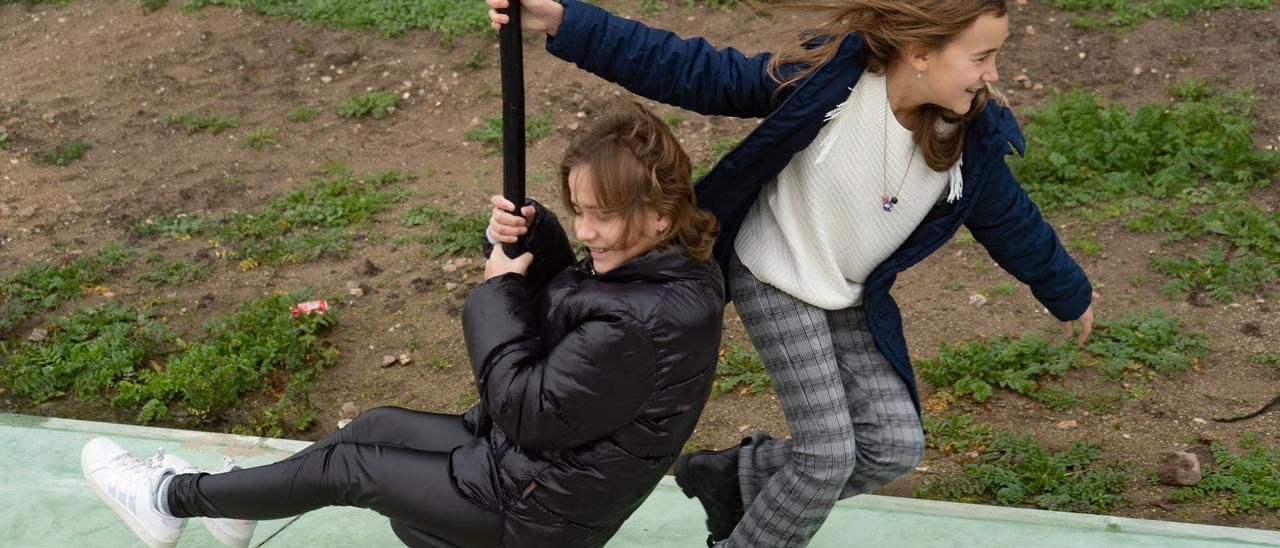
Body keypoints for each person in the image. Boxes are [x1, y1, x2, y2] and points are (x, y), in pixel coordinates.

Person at [485, 1, 1100, 546]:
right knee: (826, 457)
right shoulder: (830, 79)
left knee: (894, 446)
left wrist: (1068, 291)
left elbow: (1014, 223)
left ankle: (736, 474)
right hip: (774, 271)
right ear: (919, 53)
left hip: (848, 294)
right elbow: (694, 70)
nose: (993, 74)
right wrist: (570, 22)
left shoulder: (971, 142)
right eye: (982, 57)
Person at [80, 99, 725, 548]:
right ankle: (237, 504)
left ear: (660, 213)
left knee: (350, 468)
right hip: (529, 473)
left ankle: (168, 500)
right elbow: (578, 310)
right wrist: (538, 236)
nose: (588, 232)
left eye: (600, 217)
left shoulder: (643, 324)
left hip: (531, 514)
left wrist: (498, 291)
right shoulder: (662, 274)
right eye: (577, 211)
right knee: (375, 426)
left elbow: (525, 406)